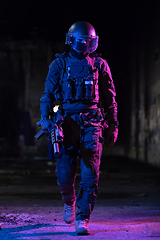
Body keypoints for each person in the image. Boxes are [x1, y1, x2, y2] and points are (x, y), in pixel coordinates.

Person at [39, 21, 118, 235]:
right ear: (71, 41)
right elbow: (47, 95)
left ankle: (83, 218)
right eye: (80, 41)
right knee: (65, 175)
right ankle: (69, 200)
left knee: (90, 173)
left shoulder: (100, 65)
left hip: (92, 123)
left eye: (88, 41)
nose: (84, 45)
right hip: (66, 124)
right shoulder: (59, 65)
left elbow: (110, 99)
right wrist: (45, 119)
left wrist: (113, 124)